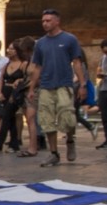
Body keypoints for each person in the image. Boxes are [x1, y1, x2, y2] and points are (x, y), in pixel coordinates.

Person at [28, 9, 86, 167]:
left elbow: (77, 62)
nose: (45, 24)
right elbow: (37, 67)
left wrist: (82, 84)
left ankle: (70, 139)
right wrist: (32, 88)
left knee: (67, 117)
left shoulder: (69, 39)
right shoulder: (40, 43)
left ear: (57, 21)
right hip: (46, 85)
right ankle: (54, 153)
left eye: (48, 20)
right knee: (46, 120)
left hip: (64, 84)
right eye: (43, 21)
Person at [0, 40, 27, 154]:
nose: (9, 51)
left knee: (6, 116)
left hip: (16, 93)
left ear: (17, 51)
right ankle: (14, 144)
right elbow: (1, 78)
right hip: (5, 91)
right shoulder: (7, 64)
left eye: (12, 49)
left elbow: (28, 78)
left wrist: (20, 80)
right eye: (9, 48)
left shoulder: (23, 64)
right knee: (11, 118)